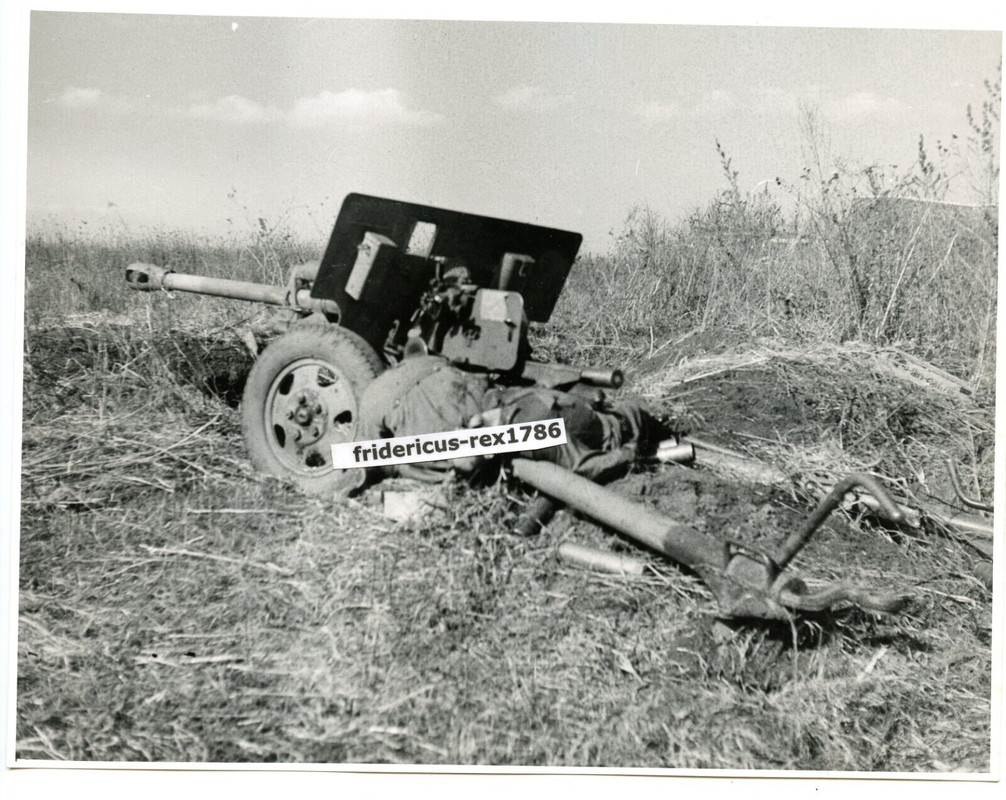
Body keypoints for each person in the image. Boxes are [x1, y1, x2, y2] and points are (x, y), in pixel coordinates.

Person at [348, 353, 664, 491]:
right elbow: (591, 467)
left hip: (424, 378)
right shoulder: (543, 433)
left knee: (373, 461)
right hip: (453, 402)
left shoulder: (530, 404)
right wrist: (631, 454)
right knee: (434, 467)